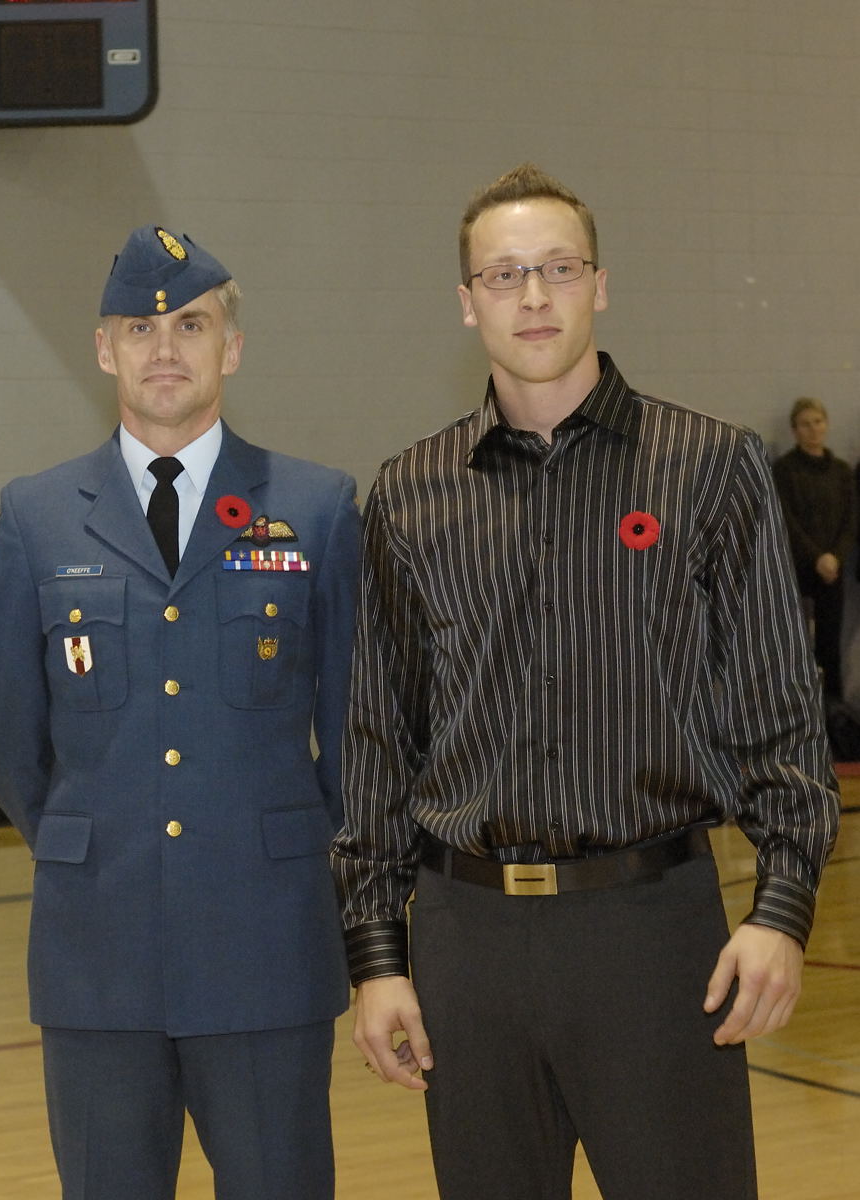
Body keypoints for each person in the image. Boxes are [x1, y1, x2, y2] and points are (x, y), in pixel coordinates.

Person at [332, 163, 841, 1199]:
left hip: (651, 937)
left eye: (555, 268)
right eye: (503, 273)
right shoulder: (409, 493)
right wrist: (378, 957)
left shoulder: (706, 467)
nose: (530, 296)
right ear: (464, 299)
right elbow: (380, 743)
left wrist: (780, 908)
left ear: (597, 285)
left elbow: (778, 714)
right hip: (465, 944)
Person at [0, 225, 360, 1199]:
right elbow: (4, 737)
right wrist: (89, 837)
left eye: (189, 324)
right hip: (97, 952)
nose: (163, 348)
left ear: (230, 347)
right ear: (102, 349)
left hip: (265, 945)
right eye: (137, 328)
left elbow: (359, 734)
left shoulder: (312, 509)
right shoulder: (38, 514)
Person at [770, 395, 854, 698]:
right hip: (799, 570)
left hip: (832, 572)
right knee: (796, 644)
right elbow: (786, 522)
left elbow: (851, 521)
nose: (812, 429)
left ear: (826, 425)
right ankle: (800, 711)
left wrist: (834, 557)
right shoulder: (784, 470)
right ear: (795, 431)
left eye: (817, 422)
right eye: (805, 424)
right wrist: (817, 557)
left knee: (830, 645)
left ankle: (834, 713)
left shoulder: (842, 471)